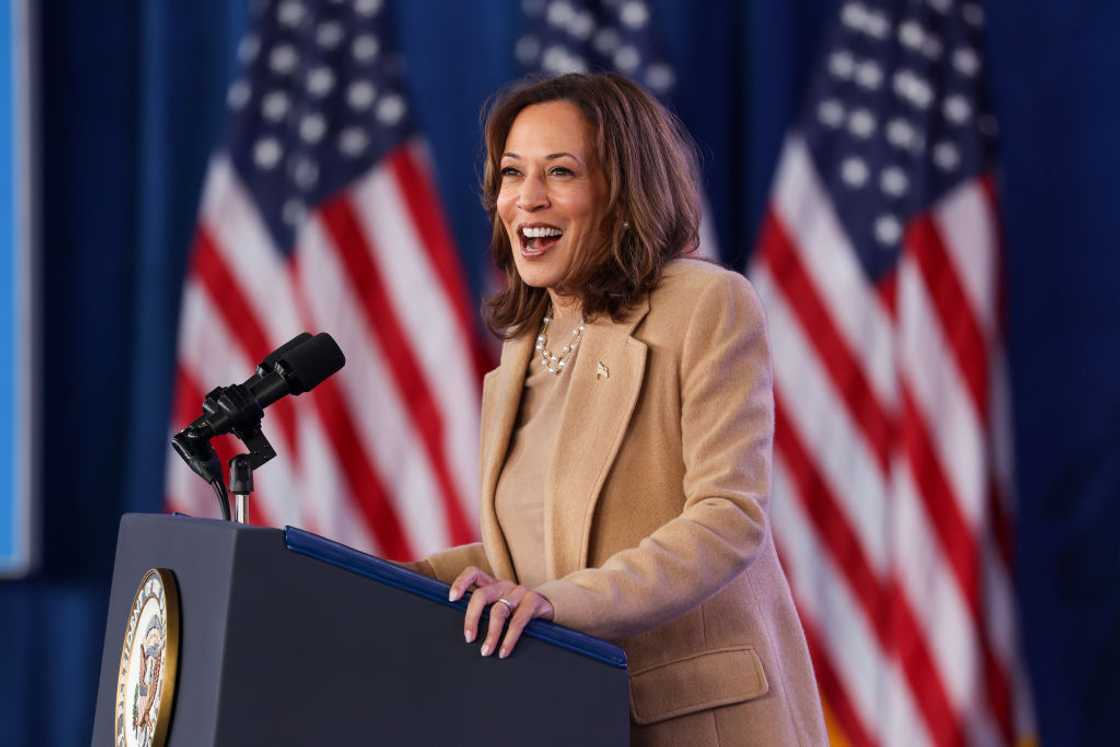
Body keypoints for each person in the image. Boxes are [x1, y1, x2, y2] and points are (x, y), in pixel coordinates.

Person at [408, 73, 826, 746]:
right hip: (574, 717)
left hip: (699, 719)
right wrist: (399, 581)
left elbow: (728, 516)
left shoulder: (706, 305)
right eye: (512, 173)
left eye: (561, 172)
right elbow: (543, 547)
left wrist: (555, 603)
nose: (527, 198)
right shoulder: (520, 350)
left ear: (622, 192)